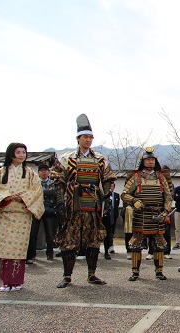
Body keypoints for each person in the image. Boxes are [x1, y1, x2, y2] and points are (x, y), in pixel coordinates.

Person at [51, 114, 116, 288]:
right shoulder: (67, 158)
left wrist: (107, 196)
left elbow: (108, 178)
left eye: (90, 137)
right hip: (73, 205)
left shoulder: (100, 159)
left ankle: (92, 274)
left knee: (93, 239)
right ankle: (67, 276)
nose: (88, 140)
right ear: (78, 138)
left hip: (93, 205)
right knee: (69, 240)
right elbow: (58, 181)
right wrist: (59, 202)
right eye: (85, 137)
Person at [0, 143, 44, 291]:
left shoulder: (29, 173)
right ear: (11, 154)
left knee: (18, 250)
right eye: (18, 152)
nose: (22, 155)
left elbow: (36, 191)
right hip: (5, 215)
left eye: (23, 152)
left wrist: (23, 198)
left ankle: (16, 282)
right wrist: (7, 197)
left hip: (22, 216)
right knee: (5, 249)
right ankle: (6, 282)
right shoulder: (1, 173)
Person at [121, 147, 172, 281]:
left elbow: (168, 196)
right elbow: (124, 194)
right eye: (148, 160)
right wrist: (134, 200)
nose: (150, 162)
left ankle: (159, 272)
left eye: (152, 160)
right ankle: (135, 272)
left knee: (159, 245)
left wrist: (166, 211)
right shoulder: (136, 177)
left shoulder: (161, 177)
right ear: (143, 161)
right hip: (140, 215)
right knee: (136, 245)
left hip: (157, 215)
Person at [26, 164, 59, 263]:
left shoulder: (53, 183)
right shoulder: (34, 183)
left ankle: (49, 254)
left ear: (48, 172)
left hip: (49, 210)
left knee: (50, 233)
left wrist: (42, 193)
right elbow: (33, 194)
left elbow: (55, 193)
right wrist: (47, 193)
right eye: (41, 170)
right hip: (36, 209)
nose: (44, 172)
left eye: (45, 170)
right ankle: (31, 255)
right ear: (38, 172)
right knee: (33, 233)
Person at [102, 182, 120, 260]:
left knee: (107, 232)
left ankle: (106, 251)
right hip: (98, 211)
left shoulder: (112, 194)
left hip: (107, 214)